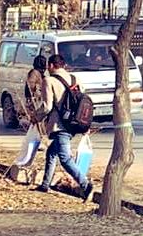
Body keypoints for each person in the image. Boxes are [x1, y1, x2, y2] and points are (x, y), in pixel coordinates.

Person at [34, 54, 94, 202]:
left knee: (65, 158)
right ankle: (45, 184)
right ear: (64, 65)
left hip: (60, 125)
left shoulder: (49, 81)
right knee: (51, 152)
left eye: (48, 66)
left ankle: (85, 185)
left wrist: (36, 116)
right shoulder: (75, 78)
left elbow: (47, 107)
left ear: (51, 66)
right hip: (74, 123)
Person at [23, 55, 48, 137]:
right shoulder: (34, 73)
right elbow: (31, 87)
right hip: (35, 101)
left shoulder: (39, 73)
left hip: (37, 100)